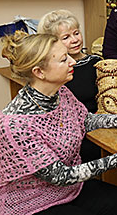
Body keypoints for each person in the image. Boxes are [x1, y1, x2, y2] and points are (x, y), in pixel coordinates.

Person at [0, 31, 117, 215]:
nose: (73, 62)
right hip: (30, 203)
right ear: (39, 72)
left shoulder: (61, 93)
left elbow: (86, 120)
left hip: (70, 189)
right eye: (63, 59)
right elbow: (60, 175)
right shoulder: (15, 124)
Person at [38, 10, 102, 163]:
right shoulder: (54, 72)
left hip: (99, 126)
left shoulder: (96, 62)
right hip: (71, 136)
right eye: (66, 37)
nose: (75, 40)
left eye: (76, 33)